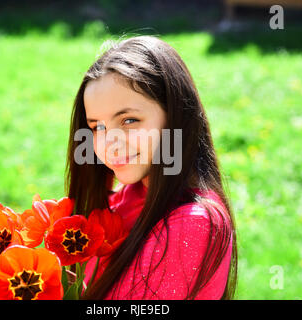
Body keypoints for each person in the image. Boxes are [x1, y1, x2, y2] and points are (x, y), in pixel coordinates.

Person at [65, 35, 238, 299]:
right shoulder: (128, 197)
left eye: (129, 120)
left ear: (175, 115)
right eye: (97, 127)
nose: (109, 143)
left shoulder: (192, 223)